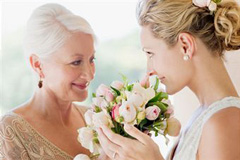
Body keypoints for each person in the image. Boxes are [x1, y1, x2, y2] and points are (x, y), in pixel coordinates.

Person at [96, 0, 240, 160]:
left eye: (150, 53)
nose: (149, 70)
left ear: (185, 45)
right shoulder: (203, 117)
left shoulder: (223, 123)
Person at [0, 3, 98, 160]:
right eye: (76, 62)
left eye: (92, 59)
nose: (89, 75)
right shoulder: (11, 130)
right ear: (38, 65)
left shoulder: (93, 118)